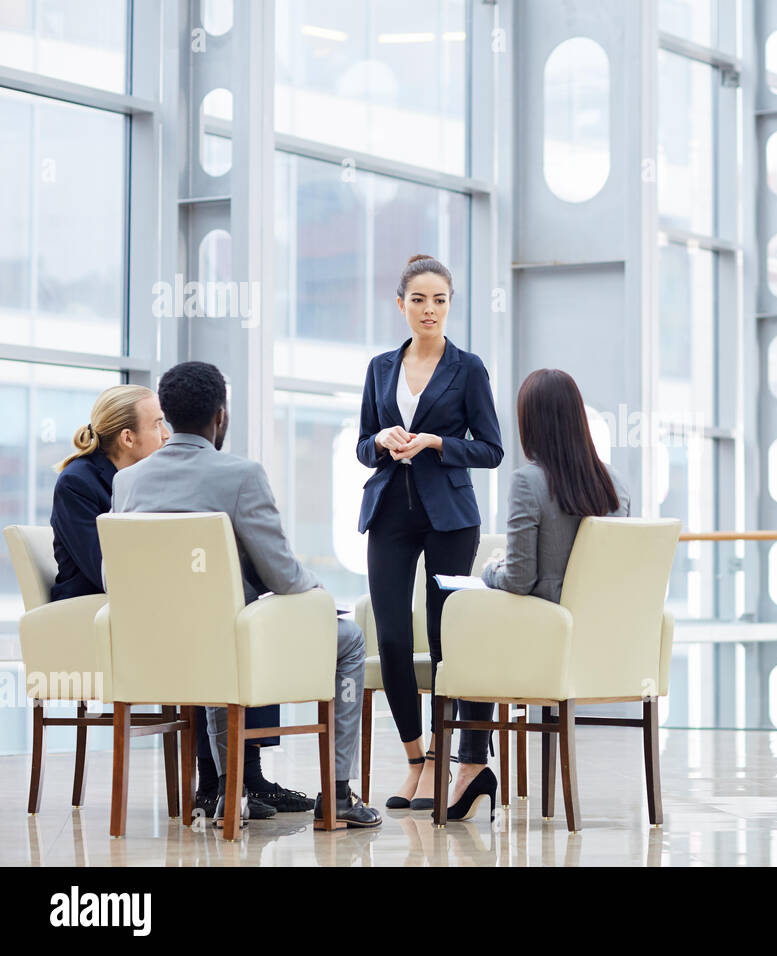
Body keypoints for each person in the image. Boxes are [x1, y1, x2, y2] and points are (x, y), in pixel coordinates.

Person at [113, 361, 380, 829]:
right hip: (224, 645)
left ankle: (226, 793)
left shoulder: (127, 482)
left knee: (220, 634)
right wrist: (314, 590)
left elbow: (116, 573)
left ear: (168, 417)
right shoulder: (241, 475)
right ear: (221, 416)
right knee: (351, 639)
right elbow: (283, 576)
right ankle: (337, 793)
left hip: (153, 650)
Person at [357, 254, 503, 814]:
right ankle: (415, 759)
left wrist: (438, 443)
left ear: (449, 305)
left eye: (439, 300)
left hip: (450, 516)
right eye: (418, 299)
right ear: (401, 305)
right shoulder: (379, 367)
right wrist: (384, 440)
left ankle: (446, 756)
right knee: (393, 637)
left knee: (447, 640)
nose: (429, 310)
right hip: (390, 510)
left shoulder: (469, 369)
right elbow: (362, 443)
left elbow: (491, 449)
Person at [469, 369, 631, 821]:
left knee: (467, 630)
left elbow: (520, 579)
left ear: (530, 424)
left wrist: (489, 569)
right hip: (606, 646)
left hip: (547, 648)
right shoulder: (617, 485)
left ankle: (466, 763)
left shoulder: (528, 482)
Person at [50, 385, 170, 601]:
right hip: (89, 607)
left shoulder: (145, 479)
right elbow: (105, 570)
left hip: (133, 600)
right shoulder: (76, 483)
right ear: (128, 438)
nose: (166, 435)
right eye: (157, 425)